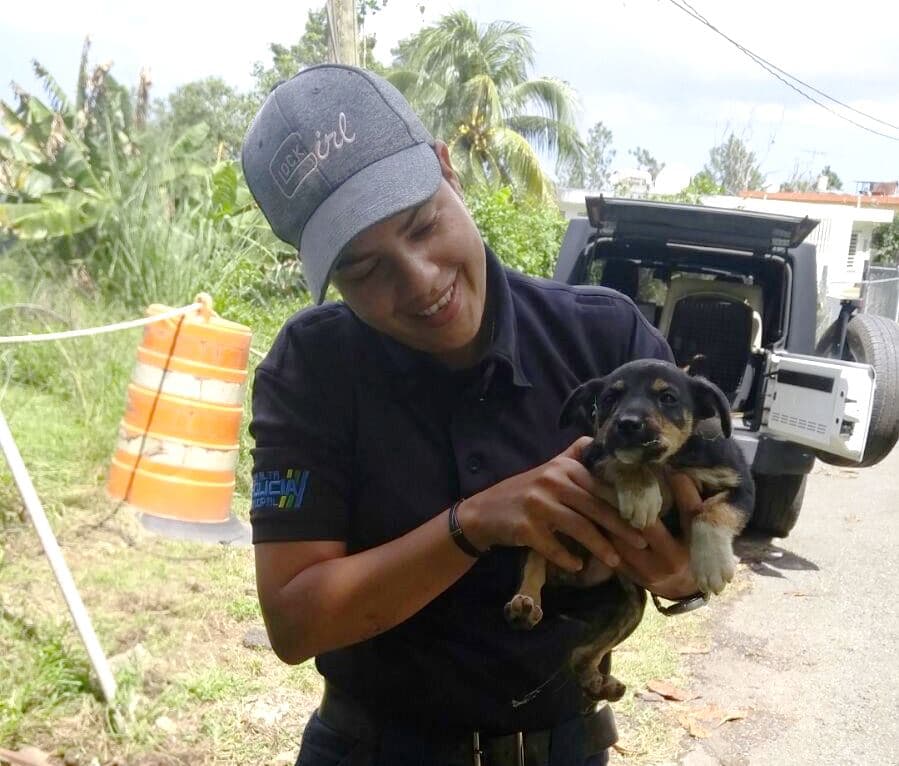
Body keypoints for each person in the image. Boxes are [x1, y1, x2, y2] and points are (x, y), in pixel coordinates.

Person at [241, 64, 705, 766]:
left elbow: (693, 546)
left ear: (446, 169)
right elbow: (295, 622)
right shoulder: (313, 370)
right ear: (324, 274)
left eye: (423, 225)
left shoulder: (604, 341)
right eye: (365, 271)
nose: (420, 281)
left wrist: (679, 572)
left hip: (564, 746)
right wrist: (475, 523)